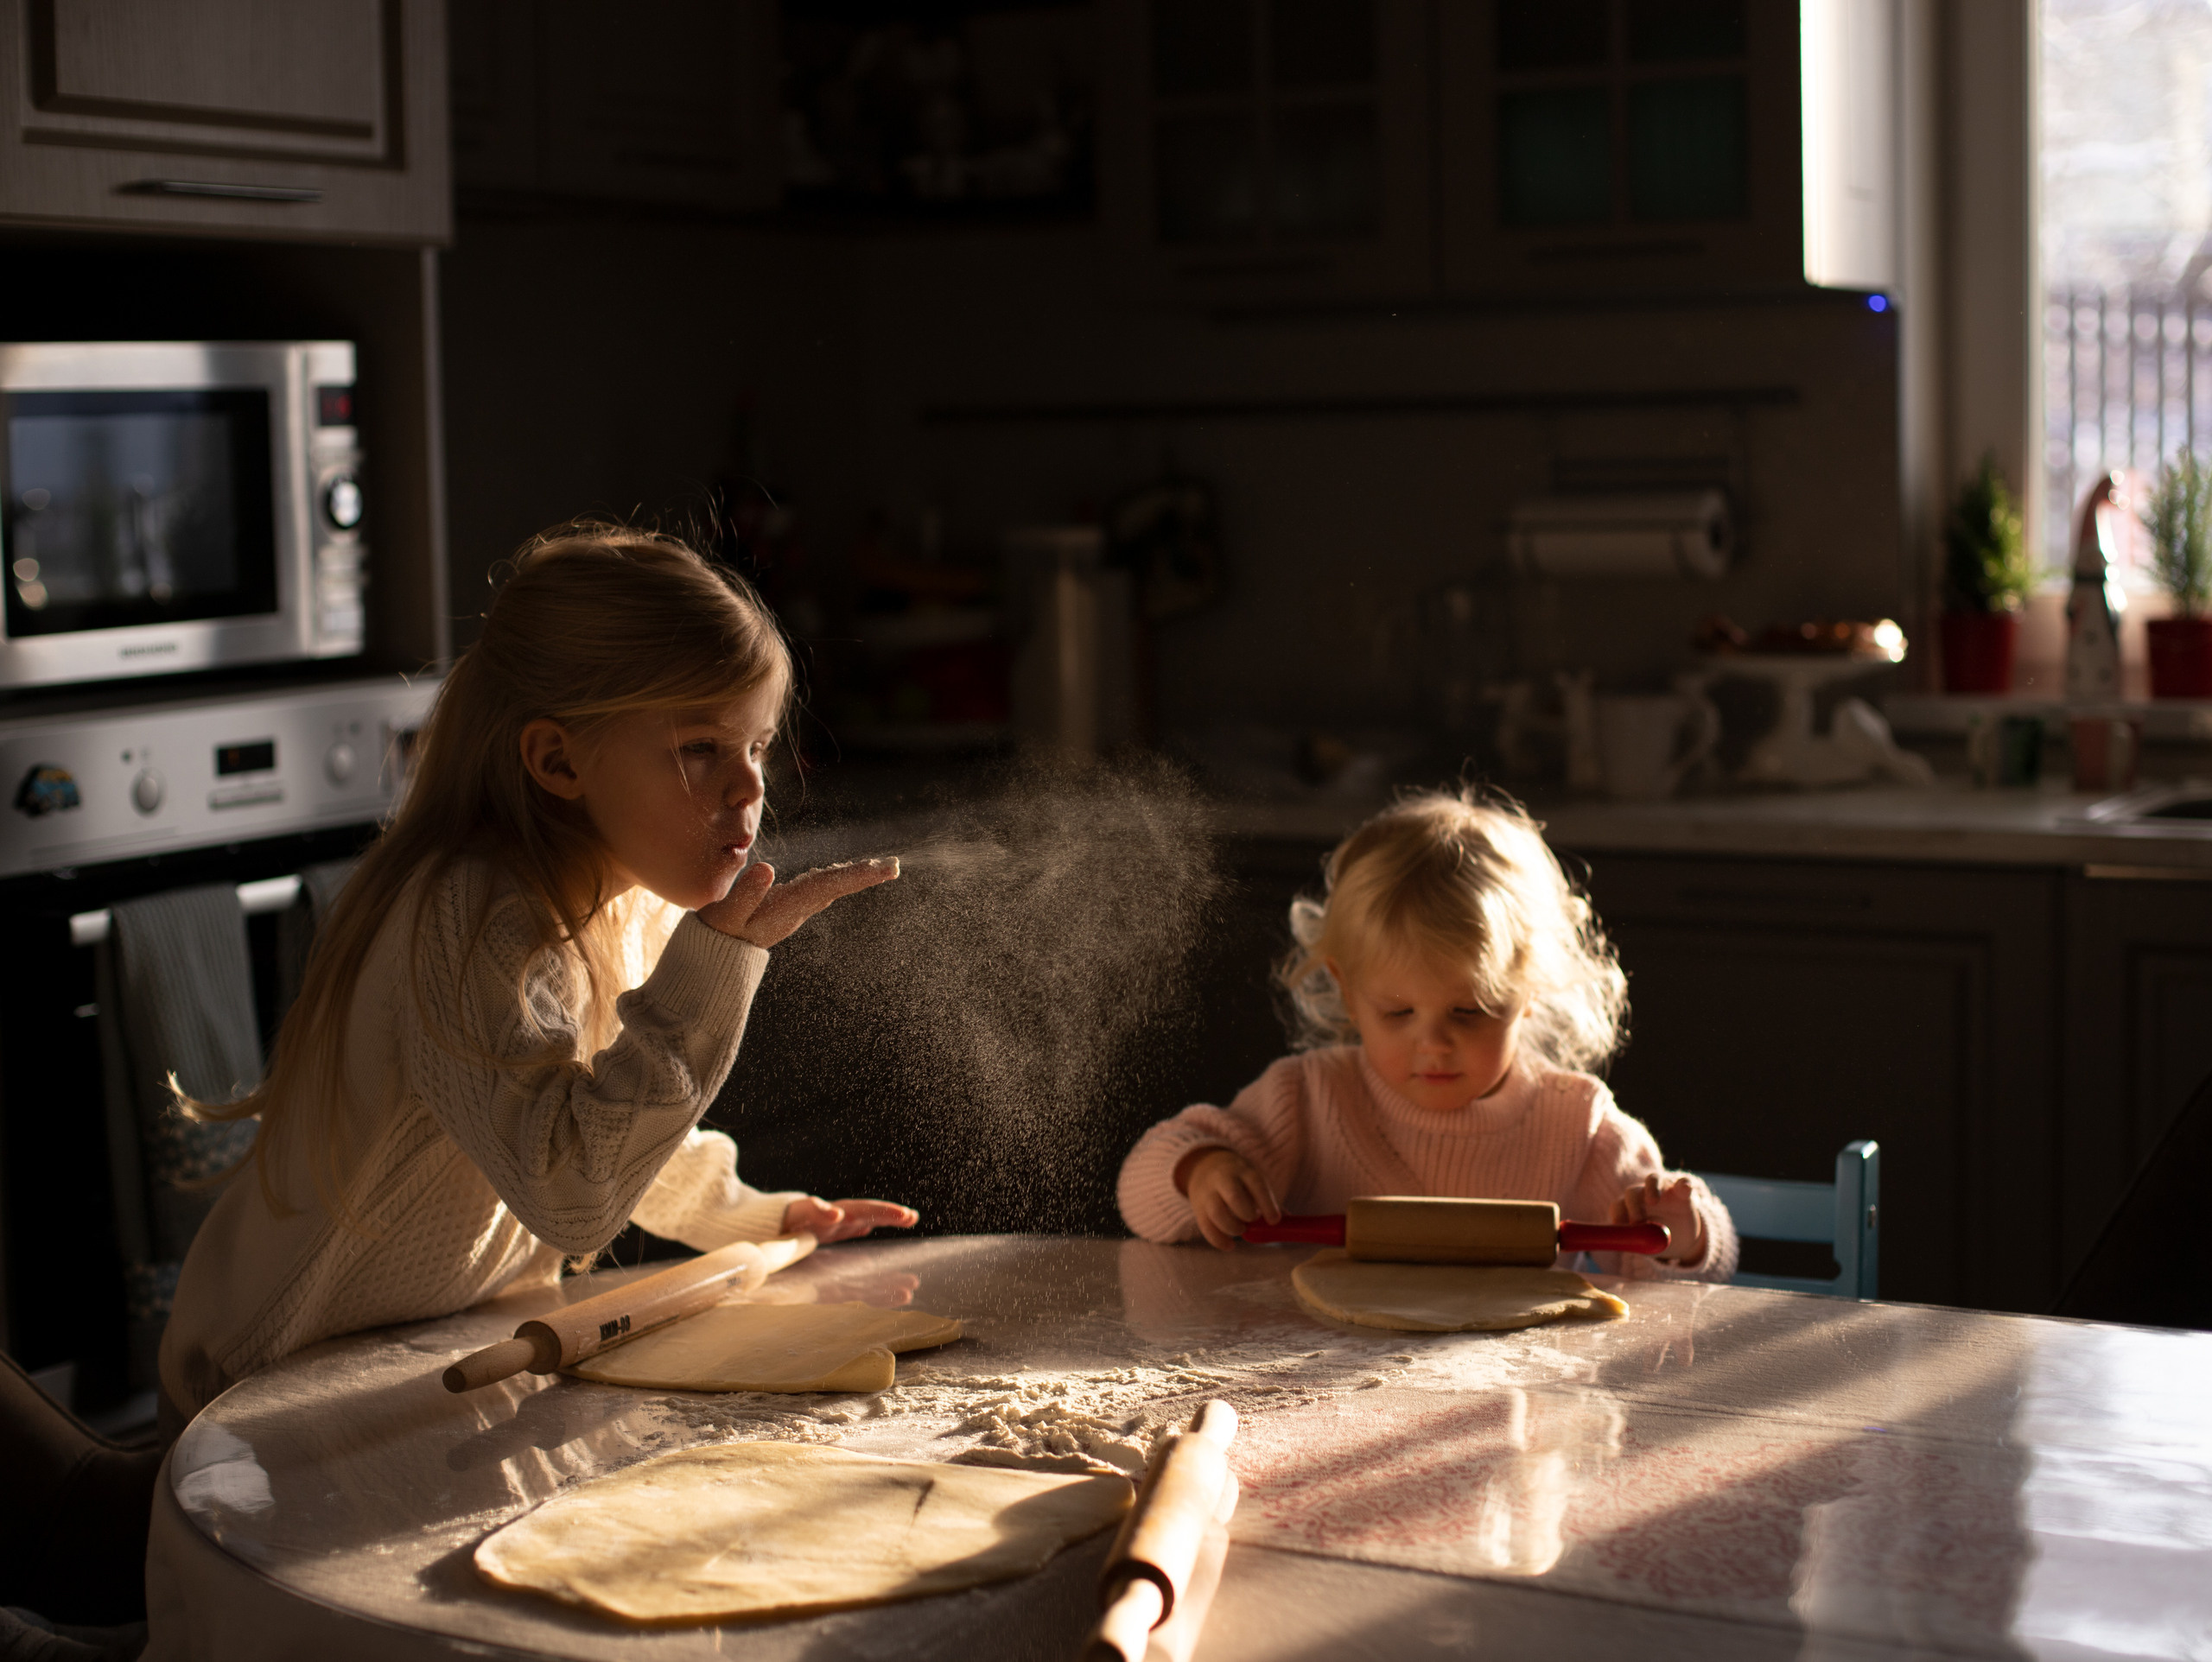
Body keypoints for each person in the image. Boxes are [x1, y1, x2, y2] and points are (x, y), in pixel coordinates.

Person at [158, 524, 913, 1427]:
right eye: (700, 749)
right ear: (559, 761)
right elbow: (573, 1190)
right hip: (260, 1395)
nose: (749, 789)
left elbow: (619, 1129)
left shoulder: (625, 899)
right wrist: (726, 958)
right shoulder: (470, 914)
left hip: (413, 1363)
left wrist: (760, 1217)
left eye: (754, 747)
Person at [1117, 789, 1737, 1281]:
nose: (1434, 1044)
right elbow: (1140, 1197)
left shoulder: (1576, 1124)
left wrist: (1683, 1235)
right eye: (1397, 1013)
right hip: (1317, 1391)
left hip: (1515, 1403)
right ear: (1348, 989)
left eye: (1469, 1012)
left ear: (1529, 992)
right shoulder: (1306, 1101)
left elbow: (1682, 1281)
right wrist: (1201, 1170)